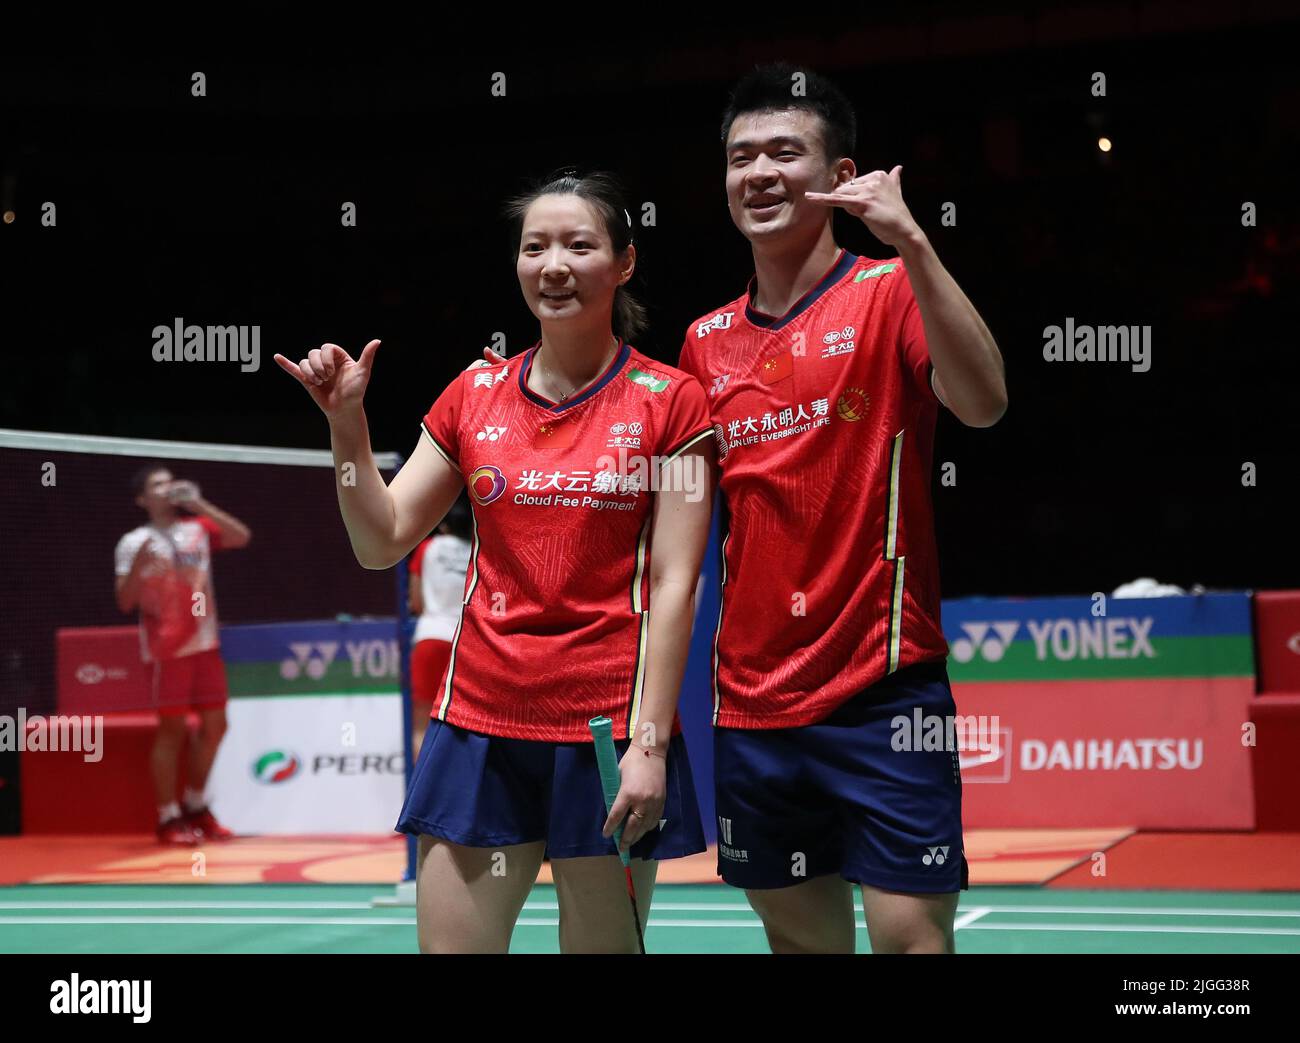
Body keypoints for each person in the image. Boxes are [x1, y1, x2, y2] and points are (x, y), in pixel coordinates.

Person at [274, 171, 715, 953]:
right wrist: (347, 427)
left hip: (606, 734)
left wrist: (649, 742)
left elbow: (678, 579)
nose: (554, 264)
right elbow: (381, 541)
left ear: (624, 263)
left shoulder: (671, 402)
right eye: (534, 246)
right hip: (478, 724)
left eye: (580, 245)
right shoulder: (472, 396)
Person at [681, 63, 1008, 953]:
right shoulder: (704, 343)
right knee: (800, 944)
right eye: (741, 155)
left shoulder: (889, 292)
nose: (759, 172)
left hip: (883, 683)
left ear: (839, 173)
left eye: (786, 152)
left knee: (913, 940)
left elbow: (983, 402)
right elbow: (682, 518)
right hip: (751, 703)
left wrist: (916, 245)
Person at [114, 466, 252, 845]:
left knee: (215, 726)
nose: (167, 487)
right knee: (172, 730)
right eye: (157, 483)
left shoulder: (197, 529)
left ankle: (195, 807)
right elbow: (125, 601)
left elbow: (241, 536)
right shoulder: (134, 541)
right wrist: (140, 568)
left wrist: (199, 503)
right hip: (166, 650)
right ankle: (168, 818)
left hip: (205, 644)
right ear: (143, 499)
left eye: (170, 481)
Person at [406, 494, 472, 755]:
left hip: (431, 638)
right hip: (468, 645)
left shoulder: (428, 547)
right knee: (467, 726)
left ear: (445, 525)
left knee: (422, 724)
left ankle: (424, 793)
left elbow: (416, 602)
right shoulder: (479, 549)